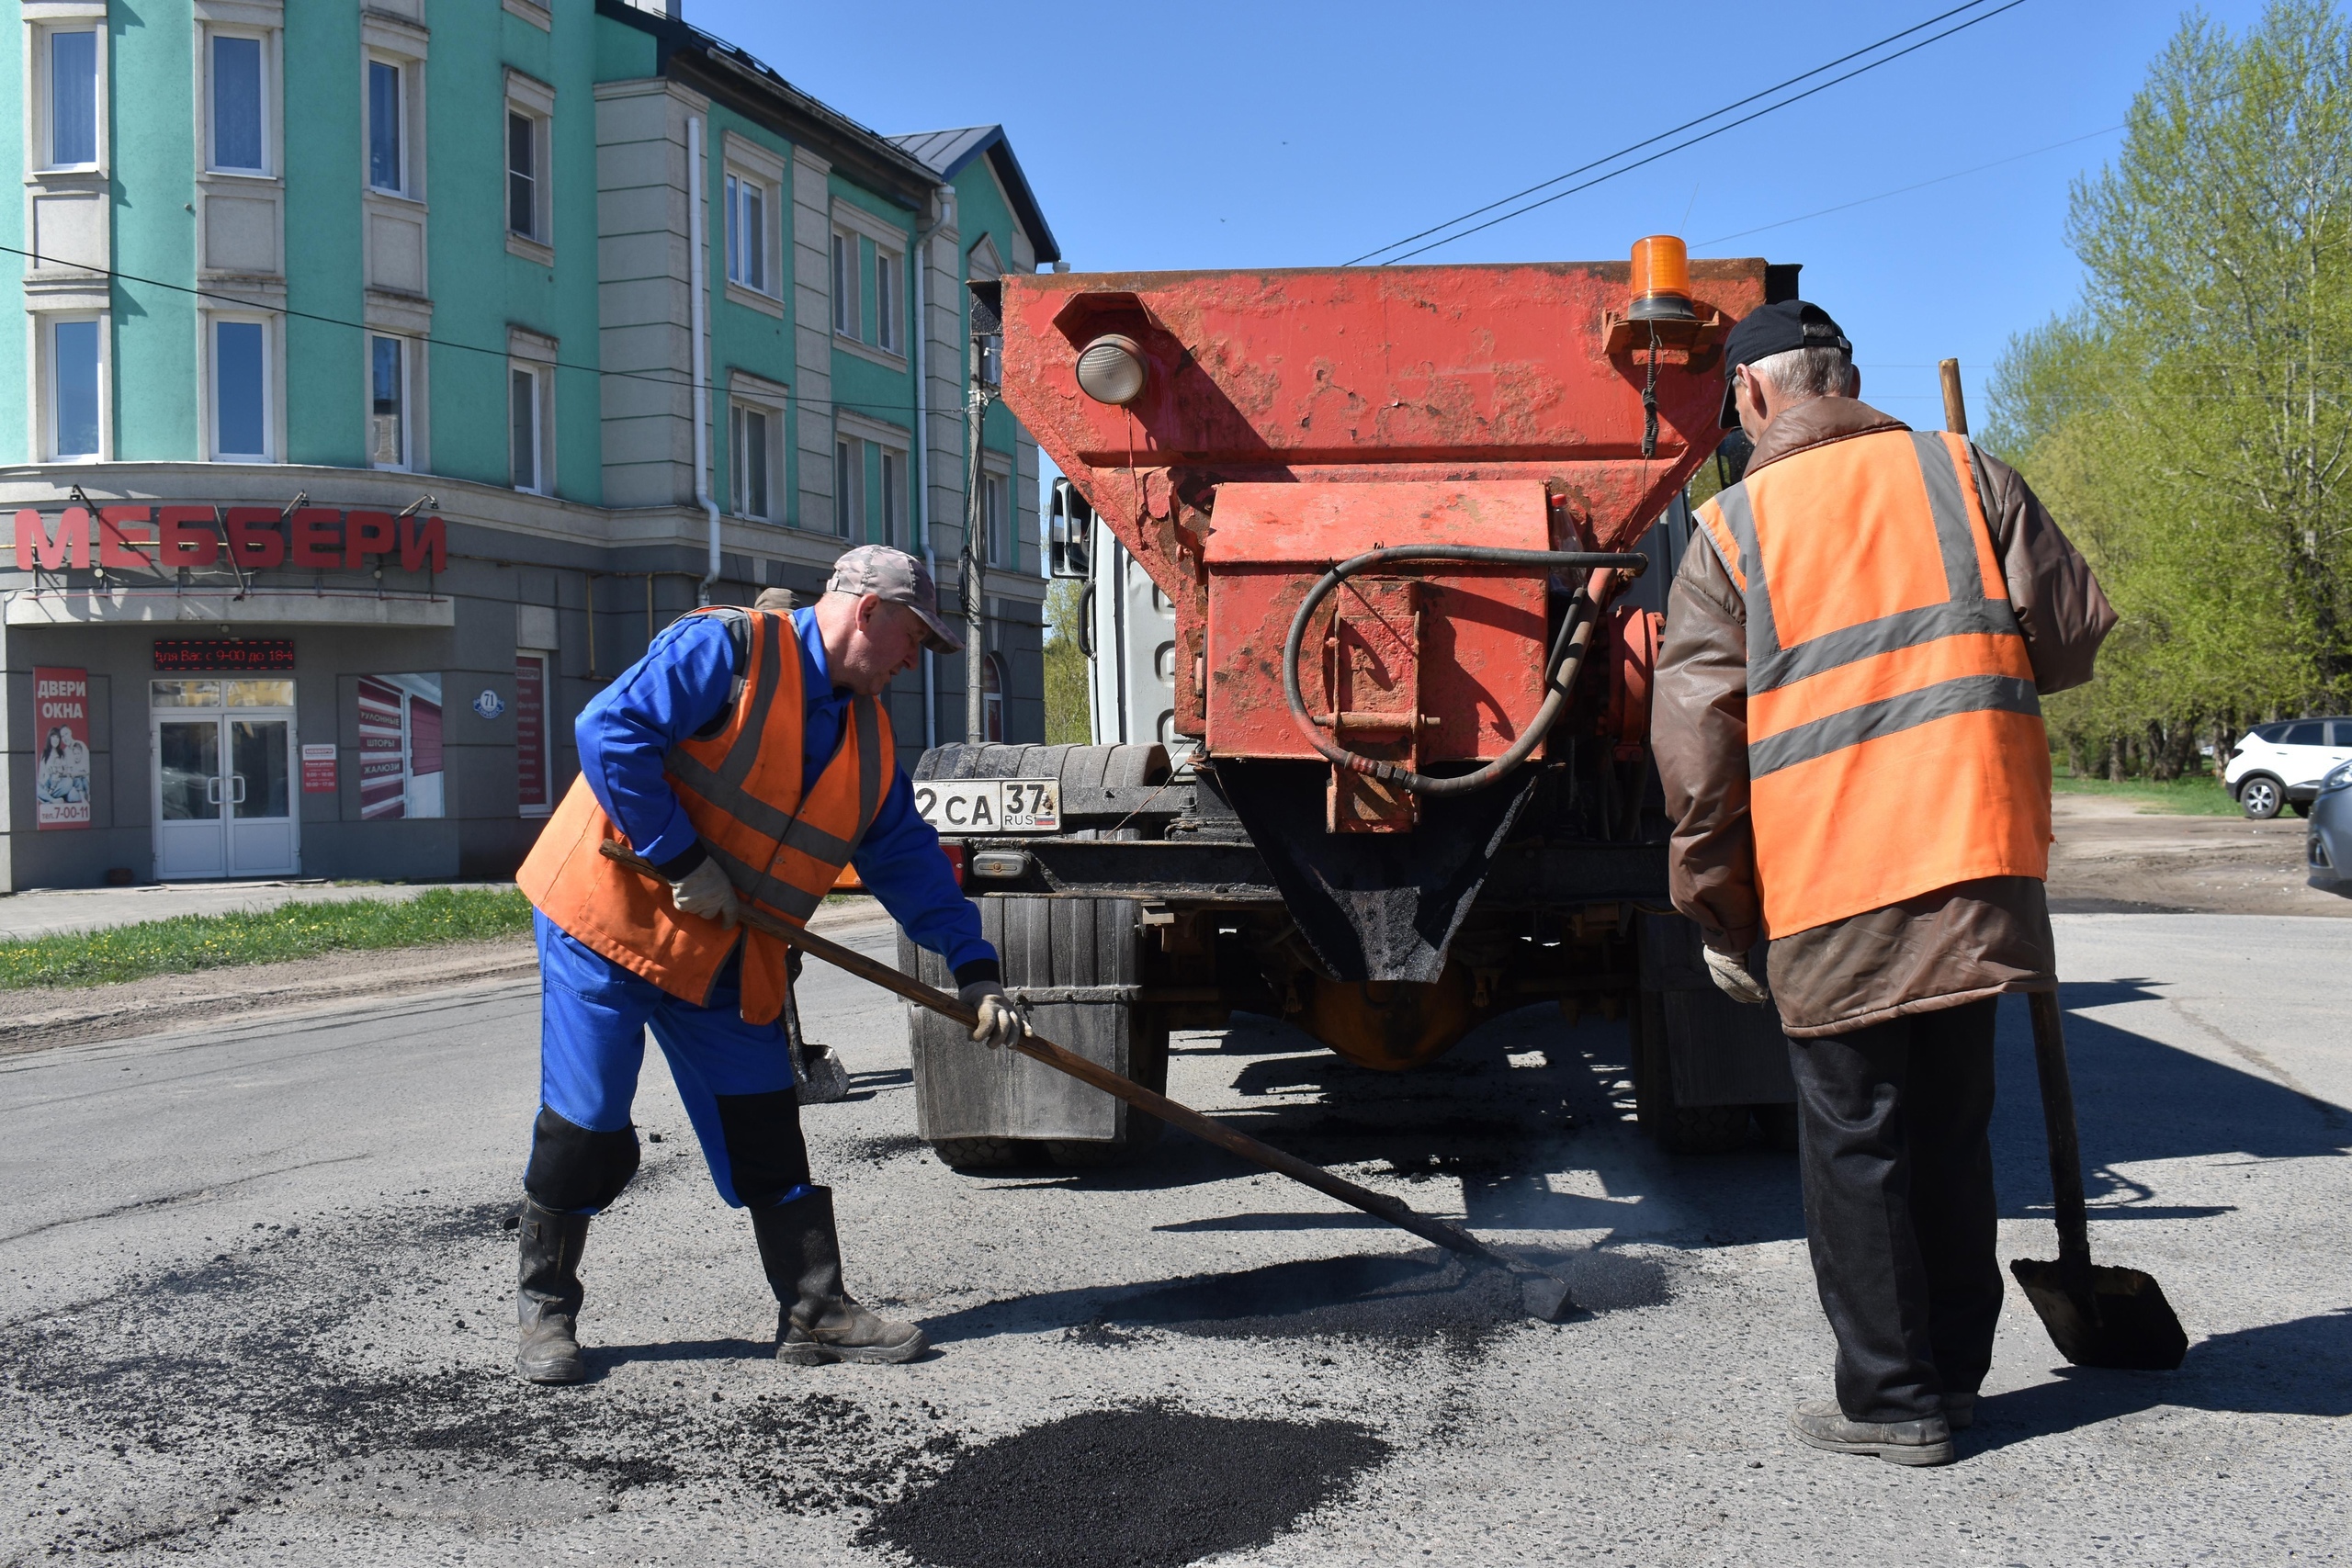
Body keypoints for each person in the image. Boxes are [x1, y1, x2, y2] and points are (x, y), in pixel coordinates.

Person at [1652, 300, 2115, 1466]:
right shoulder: (1967, 476)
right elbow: (2066, 638)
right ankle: (1952, 1380)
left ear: (1752, 397)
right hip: (1973, 857)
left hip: (1832, 875)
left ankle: (1897, 1401)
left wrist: (1714, 899)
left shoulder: (1734, 528)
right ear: (1847, 376)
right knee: (1954, 1129)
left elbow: (1698, 748)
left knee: (1860, 1138)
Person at [511, 546, 1029, 1382]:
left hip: (725, 954)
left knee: (765, 1127)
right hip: (608, 924)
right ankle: (546, 1307)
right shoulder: (730, 650)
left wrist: (975, 967)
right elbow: (608, 730)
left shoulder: (866, 737)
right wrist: (683, 860)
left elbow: (907, 857)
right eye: (911, 639)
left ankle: (814, 1310)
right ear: (868, 612)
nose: (910, 661)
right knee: (586, 1121)